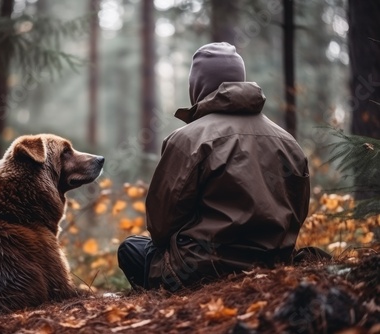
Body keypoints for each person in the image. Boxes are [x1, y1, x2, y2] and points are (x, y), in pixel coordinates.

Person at [118, 42, 312, 291]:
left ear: (197, 86)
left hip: (198, 272)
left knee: (131, 248)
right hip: (272, 266)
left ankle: (159, 304)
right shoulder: (288, 142)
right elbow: (298, 213)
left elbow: (160, 225)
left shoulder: (188, 138)